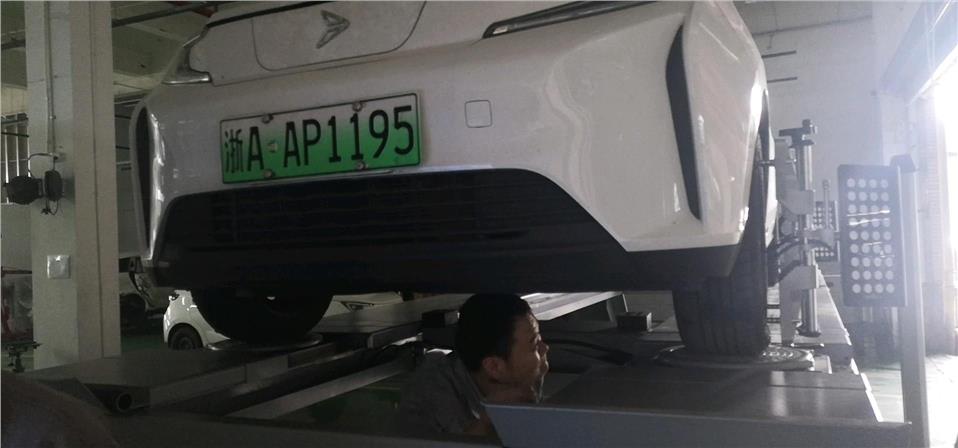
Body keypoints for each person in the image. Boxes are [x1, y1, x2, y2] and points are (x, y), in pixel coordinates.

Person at [399, 293, 549, 437]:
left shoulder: (525, 375)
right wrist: (488, 423)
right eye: (535, 345)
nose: (544, 348)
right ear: (494, 366)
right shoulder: (433, 397)